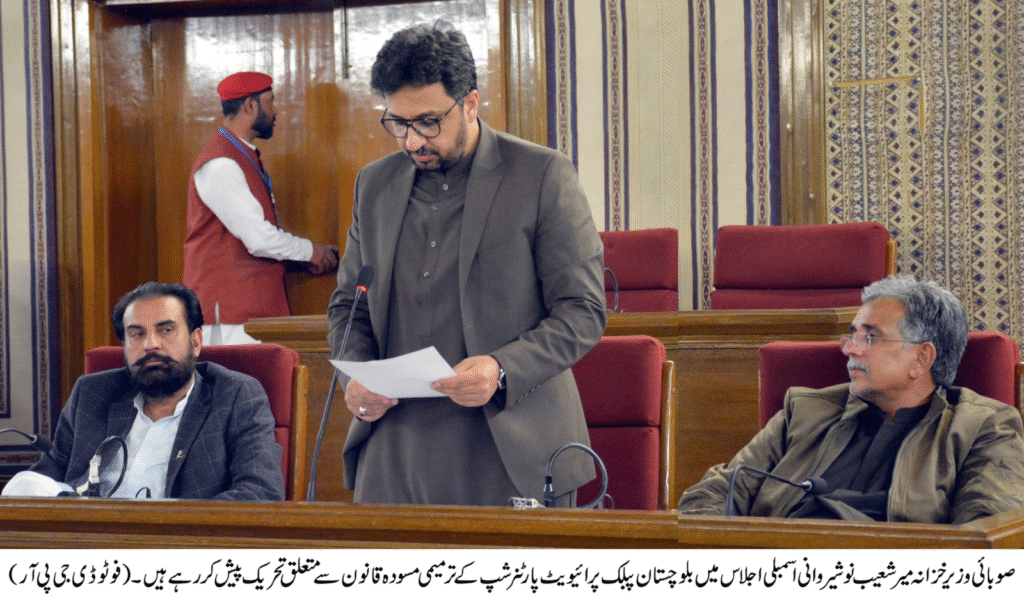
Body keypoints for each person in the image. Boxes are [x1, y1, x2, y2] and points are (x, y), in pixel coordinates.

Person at [326, 22, 606, 507]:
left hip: (509, 446)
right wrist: (356, 377)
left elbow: (582, 310)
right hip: (393, 450)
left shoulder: (541, 175)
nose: (412, 141)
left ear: (470, 104)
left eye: (428, 122)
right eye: (398, 123)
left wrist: (501, 368)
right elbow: (349, 306)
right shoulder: (374, 186)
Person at [678, 275, 1024, 524]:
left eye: (870, 338)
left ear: (921, 358)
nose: (850, 350)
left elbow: (988, 534)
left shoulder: (982, 428)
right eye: (852, 336)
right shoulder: (805, 411)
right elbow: (715, 491)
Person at [4, 282, 285, 500]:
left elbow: (260, 492)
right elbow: (43, 480)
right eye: (136, 334)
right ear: (125, 347)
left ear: (196, 341)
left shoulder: (235, 395)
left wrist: (166, 530)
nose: (150, 344)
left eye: (166, 330)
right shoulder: (92, 394)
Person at [183, 71, 339, 345]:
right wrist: (311, 251)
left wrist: (302, 260)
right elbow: (258, 239)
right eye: (270, 101)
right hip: (229, 319)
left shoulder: (240, 155)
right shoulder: (221, 164)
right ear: (249, 105)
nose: (276, 110)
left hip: (247, 315)